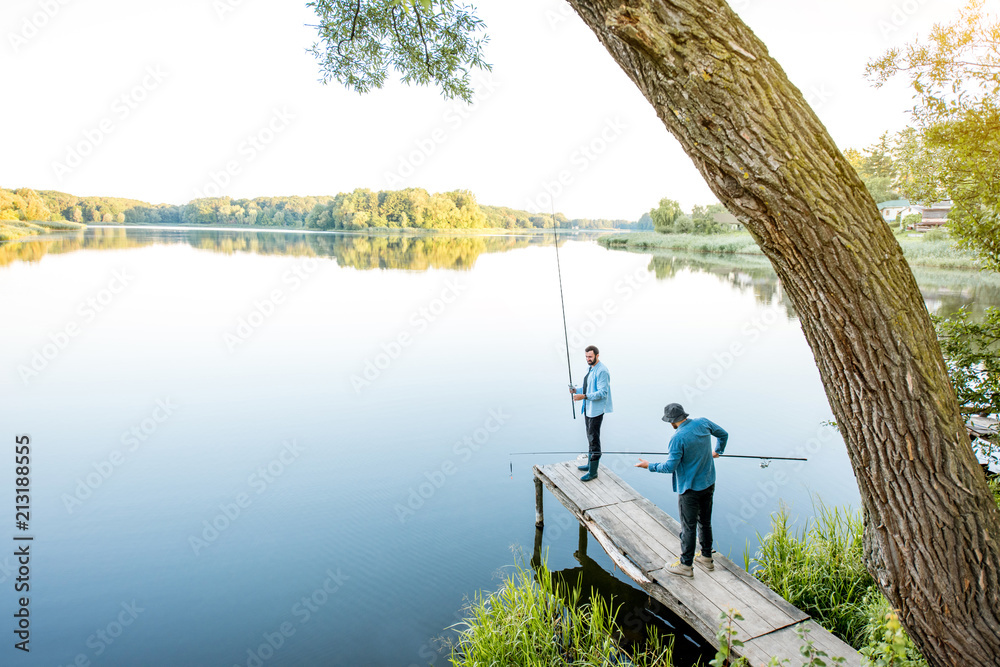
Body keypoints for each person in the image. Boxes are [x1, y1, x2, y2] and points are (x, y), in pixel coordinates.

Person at [635, 403, 728, 577]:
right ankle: (707, 558)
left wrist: (649, 465)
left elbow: (670, 467)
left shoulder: (678, 438)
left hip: (690, 489)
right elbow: (723, 434)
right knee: (705, 522)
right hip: (708, 482)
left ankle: (686, 566)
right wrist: (717, 451)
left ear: (671, 422)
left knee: (688, 528)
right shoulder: (703, 422)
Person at [570, 345, 612, 482]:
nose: (588, 359)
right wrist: (577, 390)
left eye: (590, 357)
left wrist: (583, 396)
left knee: (594, 440)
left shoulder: (602, 371)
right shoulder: (591, 369)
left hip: (596, 411)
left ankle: (593, 472)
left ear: (597, 356)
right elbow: (588, 388)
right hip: (587, 409)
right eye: (586, 357)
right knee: (590, 437)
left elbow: (602, 393)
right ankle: (589, 464)